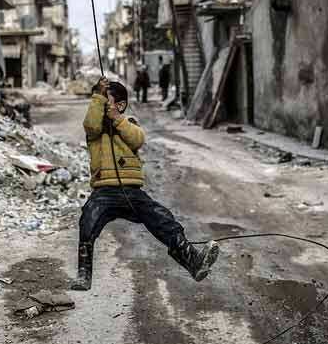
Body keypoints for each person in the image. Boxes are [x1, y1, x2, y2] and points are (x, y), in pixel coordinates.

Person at [70, 77, 220, 291]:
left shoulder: (128, 123)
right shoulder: (94, 129)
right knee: (88, 220)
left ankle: (193, 261)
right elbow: (91, 125)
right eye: (98, 102)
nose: (101, 106)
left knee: (162, 217)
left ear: (120, 105)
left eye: (106, 101)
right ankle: (83, 275)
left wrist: (117, 119)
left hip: (131, 190)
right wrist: (97, 96)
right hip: (104, 190)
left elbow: (137, 139)